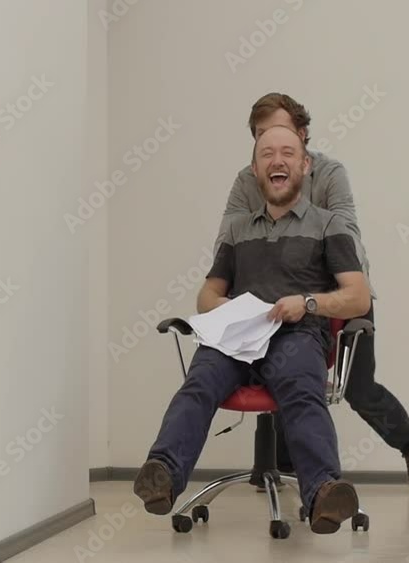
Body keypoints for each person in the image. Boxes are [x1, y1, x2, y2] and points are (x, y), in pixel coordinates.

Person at [134, 125, 370, 534]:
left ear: (305, 164)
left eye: (288, 153)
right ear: (255, 168)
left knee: (301, 388)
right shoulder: (238, 229)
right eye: (267, 154)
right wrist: (231, 309)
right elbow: (207, 294)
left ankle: (323, 493)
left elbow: (358, 297)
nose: (277, 161)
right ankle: (163, 476)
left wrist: (306, 303)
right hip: (237, 338)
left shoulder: (329, 225)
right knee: (199, 382)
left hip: (296, 335)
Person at [216, 93, 409, 493]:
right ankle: (287, 470)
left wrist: (313, 279)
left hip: (337, 294)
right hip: (274, 298)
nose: (270, 143)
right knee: (286, 376)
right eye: (261, 135)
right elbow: (228, 236)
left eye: (280, 131)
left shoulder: (330, 173)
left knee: (357, 388)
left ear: (301, 135)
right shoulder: (247, 180)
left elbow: (347, 234)